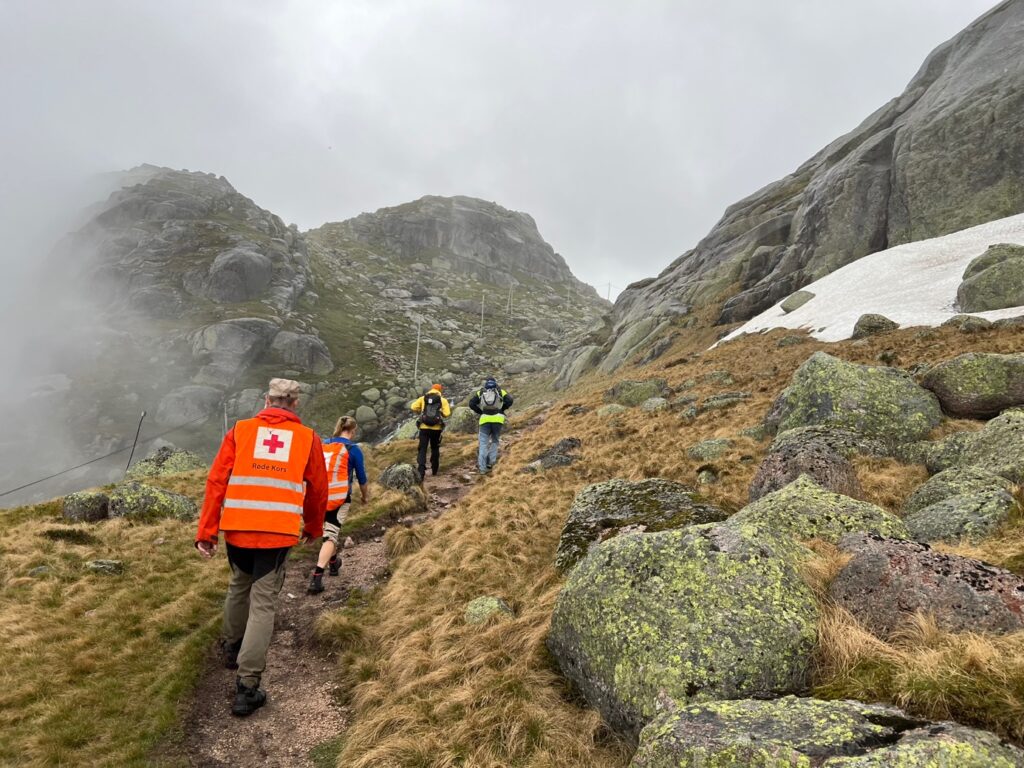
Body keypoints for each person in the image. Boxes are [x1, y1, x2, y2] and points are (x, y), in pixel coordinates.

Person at [195, 378, 328, 717]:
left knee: (239, 584)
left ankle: (231, 646)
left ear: (266, 399)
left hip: (237, 529)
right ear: (295, 404)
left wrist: (207, 531)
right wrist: (314, 527)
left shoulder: (240, 431)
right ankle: (247, 685)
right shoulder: (308, 438)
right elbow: (317, 490)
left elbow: (216, 481)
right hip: (277, 531)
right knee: (263, 603)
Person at [308, 415, 369, 594]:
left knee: (328, 531)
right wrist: (365, 497)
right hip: (339, 498)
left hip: (318, 497)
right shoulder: (353, 449)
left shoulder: (324, 443)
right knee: (331, 535)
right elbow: (362, 479)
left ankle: (334, 563)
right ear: (353, 430)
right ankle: (317, 576)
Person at [468, 377, 513, 474]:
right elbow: (510, 401)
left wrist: (480, 411)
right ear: (495, 383)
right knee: (495, 441)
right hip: (498, 419)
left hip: (484, 419)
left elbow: (471, 403)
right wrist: (502, 409)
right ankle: (491, 462)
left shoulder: (481, 392)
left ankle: (482, 468)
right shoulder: (500, 391)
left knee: (483, 444)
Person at [410, 383, 451, 481]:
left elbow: (413, 407)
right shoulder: (443, 400)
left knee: (422, 448)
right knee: (435, 448)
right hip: (436, 429)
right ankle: (434, 468)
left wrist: (421, 411)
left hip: (424, 427)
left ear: (431, 389)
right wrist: (440, 413)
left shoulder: (423, 398)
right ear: (440, 390)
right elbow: (447, 413)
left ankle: (421, 469)